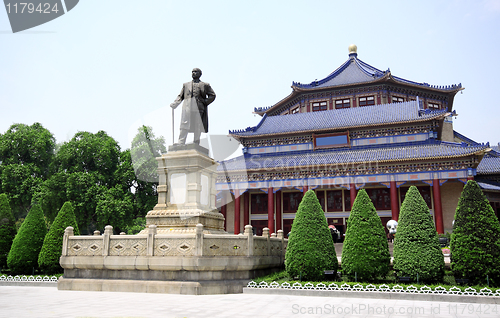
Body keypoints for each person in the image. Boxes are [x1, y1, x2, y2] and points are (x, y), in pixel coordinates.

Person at [170, 68, 216, 145]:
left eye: (195, 72)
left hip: (199, 108)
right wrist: (175, 104)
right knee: (184, 124)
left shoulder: (205, 85)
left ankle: (196, 142)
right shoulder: (186, 85)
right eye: (192, 72)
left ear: (200, 74)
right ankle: (181, 142)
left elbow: (213, 95)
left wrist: (205, 102)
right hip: (188, 107)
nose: (193, 73)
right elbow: (180, 96)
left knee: (197, 125)